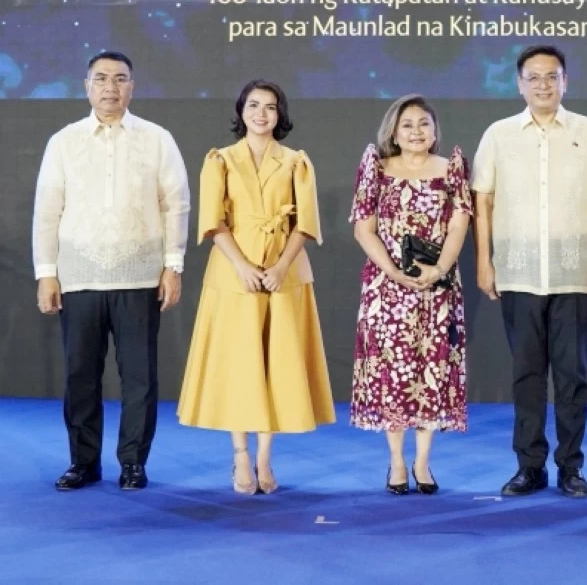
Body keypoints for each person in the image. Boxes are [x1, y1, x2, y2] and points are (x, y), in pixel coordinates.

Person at [472, 44, 587, 499]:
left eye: (552, 76)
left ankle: (571, 467)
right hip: (518, 275)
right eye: (534, 77)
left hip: (575, 275)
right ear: (519, 84)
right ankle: (529, 466)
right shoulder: (499, 134)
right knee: (526, 375)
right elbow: (483, 201)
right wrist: (485, 262)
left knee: (572, 376)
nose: (543, 84)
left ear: (565, 82)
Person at [33, 51, 190, 491]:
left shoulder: (157, 139)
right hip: (78, 276)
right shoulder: (64, 141)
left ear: (132, 87)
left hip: (140, 277)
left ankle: (133, 463)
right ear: (86, 86)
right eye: (101, 79)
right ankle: (83, 462)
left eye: (120, 79)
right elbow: (47, 212)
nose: (110, 87)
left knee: (139, 376)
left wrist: (172, 266)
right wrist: (47, 272)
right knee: (80, 374)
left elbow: (176, 206)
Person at [177, 80, 334, 495]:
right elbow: (213, 222)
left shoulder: (297, 161)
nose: (261, 113)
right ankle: (241, 456)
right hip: (233, 274)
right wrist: (244, 266)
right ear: (241, 110)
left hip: (286, 274)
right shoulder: (220, 161)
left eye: (270, 106)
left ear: (280, 114)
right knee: (239, 366)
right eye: (253, 105)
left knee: (276, 364)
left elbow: (306, 223)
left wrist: (281, 266)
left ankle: (265, 457)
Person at [349, 95, 471, 495]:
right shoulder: (377, 168)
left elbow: (458, 225)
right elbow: (364, 229)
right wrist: (395, 272)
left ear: (435, 130)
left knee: (431, 369)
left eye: (424, 123)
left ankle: (423, 463)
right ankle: (397, 461)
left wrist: (438, 270)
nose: (416, 131)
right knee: (393, 373)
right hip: (387, 289)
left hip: (438, 289)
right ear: (394, 131)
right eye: (407, 124)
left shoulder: (451, 168)